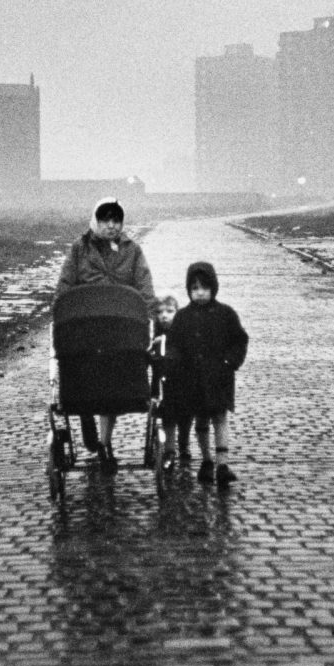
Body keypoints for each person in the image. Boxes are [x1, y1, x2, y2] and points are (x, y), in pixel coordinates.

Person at [55, 197, 156, 474]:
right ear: (95, 221)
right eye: (105, 220)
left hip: (118, 327)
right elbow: (65, 284)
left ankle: (104, 443)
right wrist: (62, 315)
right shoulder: (79, 249)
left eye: (116, 220)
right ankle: (88, 416)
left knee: (113, 387)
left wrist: (152, 316)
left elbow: (144, 285)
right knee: (85, 375)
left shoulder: (132, 251)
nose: (111, 226)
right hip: (86, 326)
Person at [166, 261, 248, 487]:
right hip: (193, 378)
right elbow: (174, 343)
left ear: (213, 288)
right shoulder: (183, 317)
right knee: (200, 419)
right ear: (189, 291)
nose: (200, 293)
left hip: (219, 376)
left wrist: (230, 361)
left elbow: (239, 340)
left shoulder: (226, 314)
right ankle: (206, 460)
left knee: (220, 417)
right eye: (194, 289)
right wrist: (174, 361)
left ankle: (223, 463)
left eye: (204, 287)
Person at [148, 294, 191, 470]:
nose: (164, 315)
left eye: (169, 311)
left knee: (186, 417)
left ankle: (184, 444)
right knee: (168, 417)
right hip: (163, 384)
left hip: (183, 381)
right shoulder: (153, 334)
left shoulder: (182, 333)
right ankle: (170, 450)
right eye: (160, 312)